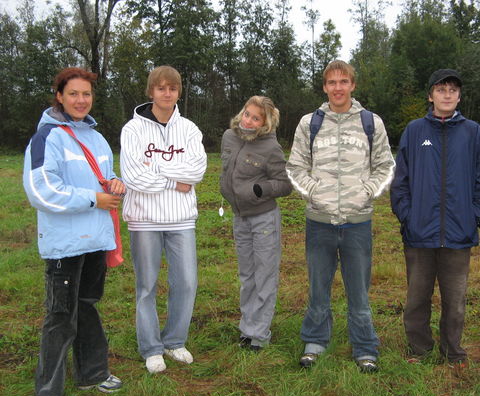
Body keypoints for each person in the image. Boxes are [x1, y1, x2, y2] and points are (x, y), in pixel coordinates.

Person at [286, 60, 395, 372]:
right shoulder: (310, 123)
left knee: (359, 292)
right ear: (324, 87)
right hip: (318, 223)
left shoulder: (371, 122)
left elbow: (386, 166)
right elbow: (295, 168)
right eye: (331, 82)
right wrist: (315, 194)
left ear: (352, 85)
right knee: (318, 288)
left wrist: (364, 193)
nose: (337, 87)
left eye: (343, 81)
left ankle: (364, 347)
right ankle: (315, 341)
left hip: (357, 223)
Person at [23, 67, 125, 396]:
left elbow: (102, 179)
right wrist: (93, 198)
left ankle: (92, 374)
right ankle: (49, 390)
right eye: (73, 94)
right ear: (59, 97)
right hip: (65, 245)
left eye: (86, 94)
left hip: (95, 240)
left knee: (87, 307)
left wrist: (114, 183)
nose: (81, 100)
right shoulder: (47, 137)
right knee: (60, 316)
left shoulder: (96, 138)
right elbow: (41, 190)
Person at [390, 69, 480, 366]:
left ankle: (453, 352)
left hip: (459, 235)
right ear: (430, 95)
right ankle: (420, 351)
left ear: (459, 96)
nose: (447, 94)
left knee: (455, 301)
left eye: (452, 89)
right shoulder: (414, 130)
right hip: (419, 234)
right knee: (417, 300)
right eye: (441, 89)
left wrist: (473, 216)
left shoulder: (472, 132)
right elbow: (400, 180)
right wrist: (407, 216)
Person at [120, 66, 207, 374]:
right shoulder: (133, 130)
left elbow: (196, 171)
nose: (166, 93)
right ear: (151, 92)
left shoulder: (190, 129)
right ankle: (151, 347)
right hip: (145, 219)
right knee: (147, 285)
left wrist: (157, 171)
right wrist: (174, 180)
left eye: (172, 88)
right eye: (161, 88)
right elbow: (133, 176)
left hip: (181, 218)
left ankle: (174, 341)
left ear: (178, 92)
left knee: (185, 281)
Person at [219, 96, 292, 351]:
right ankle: (247, 328)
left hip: (263, 219)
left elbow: (285, 184)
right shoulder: (229, 136)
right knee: (247, 276)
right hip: (240, 217)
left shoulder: (271, 148)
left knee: (264, 276)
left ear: (265, 123)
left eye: (256, 118)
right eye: (247, 114)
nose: (248, 121)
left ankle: (259, 335)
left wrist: (260, 189)